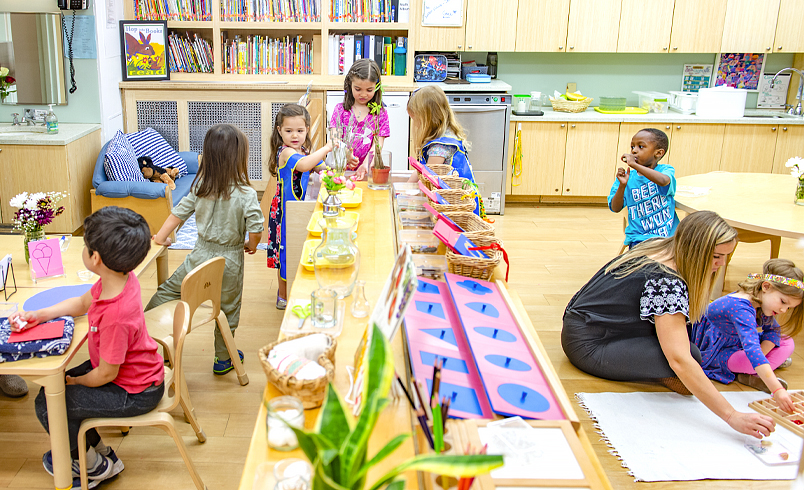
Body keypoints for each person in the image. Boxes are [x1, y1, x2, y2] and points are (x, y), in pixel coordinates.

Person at [562, 211, 776, 438]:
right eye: (716, 256)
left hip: (583, 325)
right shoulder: (667, 282)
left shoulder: (659, 245)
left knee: (687, 344)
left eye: (725, 256)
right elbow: (680, 360)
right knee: (690, 357)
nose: (722, 263)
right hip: (589, 344)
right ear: (695, 250)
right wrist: (732, 416)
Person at [9, 207, 164, 489]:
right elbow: (82, 304)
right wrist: (41, 315)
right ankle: (102, 457)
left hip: (134, 392)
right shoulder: (116, 280)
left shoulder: (116, 315)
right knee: (58, 389)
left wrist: (77, 381)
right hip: (129, 375)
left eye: (85, 246)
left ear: (96, 258)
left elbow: (106, 374)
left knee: (50, 403)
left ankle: (88, 466)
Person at [146, 124, 264, 375]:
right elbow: (256, 229)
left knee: (166, 293)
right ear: (239, 158)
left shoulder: (200, 188)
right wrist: (251, 246)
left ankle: (148, 338)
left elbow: (176, 215)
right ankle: (223, 358)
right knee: (227, 308)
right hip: (230, 260)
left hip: (198, 257)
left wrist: (161, 237)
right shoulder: (247, 194)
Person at [692, 259, 802, 413]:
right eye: (783, 302)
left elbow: (773, 331)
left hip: (740, 346)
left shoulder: (763, 301)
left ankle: (756, 369)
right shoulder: (740, 307)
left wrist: (759, 356)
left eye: (788, 307)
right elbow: (752, 350)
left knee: (787, 341)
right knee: (753, 359)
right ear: (766, 287)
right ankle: (756, 370)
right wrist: (777, 390)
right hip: (715, 352)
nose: (784, 310)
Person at [266, 104, 332, 309]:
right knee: (284, 252)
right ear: (279, 131)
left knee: (296, 248)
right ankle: (283, 295)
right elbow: (304, 165)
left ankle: (297, 287)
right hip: (284, 211)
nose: (295, 135)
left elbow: (319, 167)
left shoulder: (304, 150)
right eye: (289, 131)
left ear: (307, 130)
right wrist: (327, 147)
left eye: (300, 131)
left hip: (297, 209)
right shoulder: (285, 152)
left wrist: (340, 163)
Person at [407, 85, 480, 215]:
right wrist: (406, 187)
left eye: (415, 119)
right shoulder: (444, 133)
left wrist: (408, 196)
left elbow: (425, 176)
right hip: (453, 199)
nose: (415, 124)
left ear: (428, 119)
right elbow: (420, 169)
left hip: (456, 205)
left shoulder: (439, 148)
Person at [608, 128, 679, 248]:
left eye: (641, 147)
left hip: (668, 239)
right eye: (632, 147)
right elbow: (615, 208)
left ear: (658, 153)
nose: (634, 151)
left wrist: (634, 165)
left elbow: (663, 181)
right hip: (639, 240)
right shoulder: (627, 176)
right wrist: (622, 186)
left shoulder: (665, 170)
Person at [329, 58, 389, 180]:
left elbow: (378, 145)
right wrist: (346, 153)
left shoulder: (380, 113)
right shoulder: (340, 110)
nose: (363, 94)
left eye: (369, 90)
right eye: (358, 89)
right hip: (341, 172)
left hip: (367, 172)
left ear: (377, 88)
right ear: (349, 84)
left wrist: (365, 165)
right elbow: (334, 138)